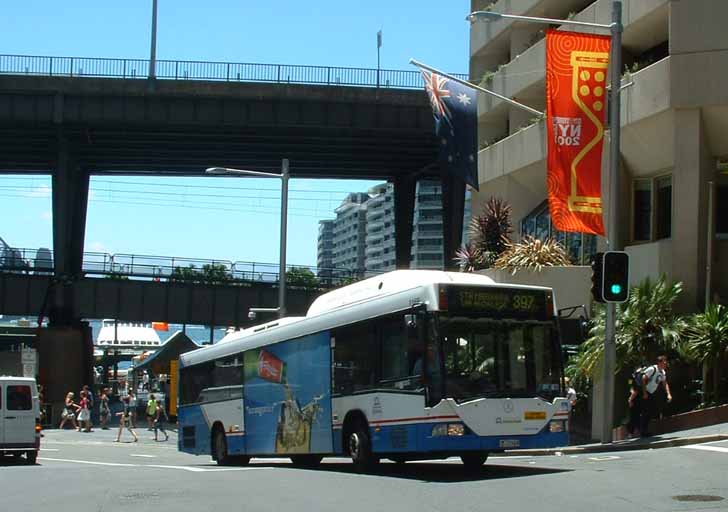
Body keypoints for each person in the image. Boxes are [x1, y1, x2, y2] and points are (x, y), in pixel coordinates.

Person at [640, 355, 672, 437]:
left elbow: (665, 384)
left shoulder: (662, 372)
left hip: (651, 393)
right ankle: (643, 431)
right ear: (659, 362)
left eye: (666, 362)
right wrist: (644, 393)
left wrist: (668, 394)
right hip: (645, 392)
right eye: (664, 362)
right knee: (646, 411)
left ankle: (644, 430)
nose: (666, 363)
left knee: (650, 411)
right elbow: (643, 378)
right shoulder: (652, 369)